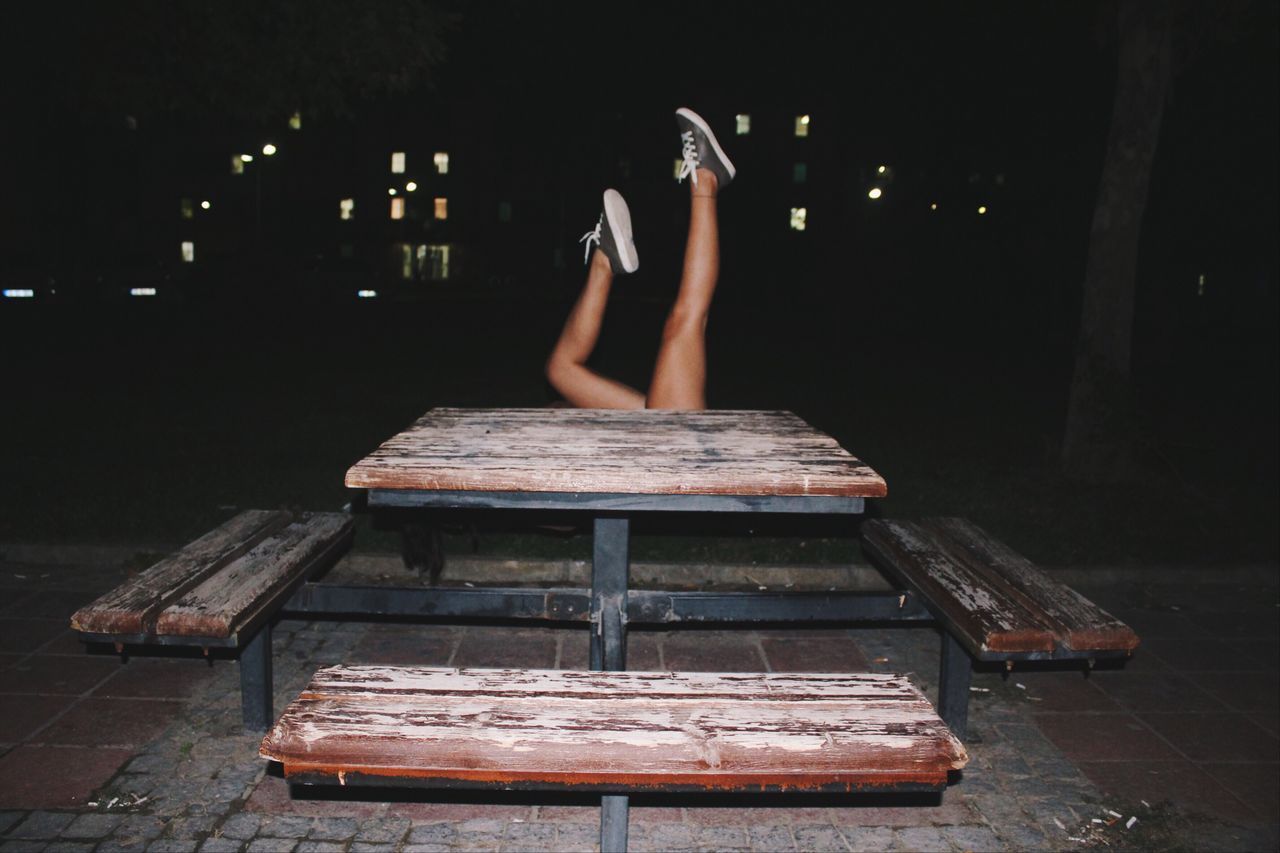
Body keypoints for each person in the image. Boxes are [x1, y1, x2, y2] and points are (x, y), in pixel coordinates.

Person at [545, 108, 735, 411]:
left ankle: (604, 262)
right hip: (676, 450)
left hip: (656, 441)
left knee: (560, 369)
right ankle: (707, 180)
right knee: (684, 322)